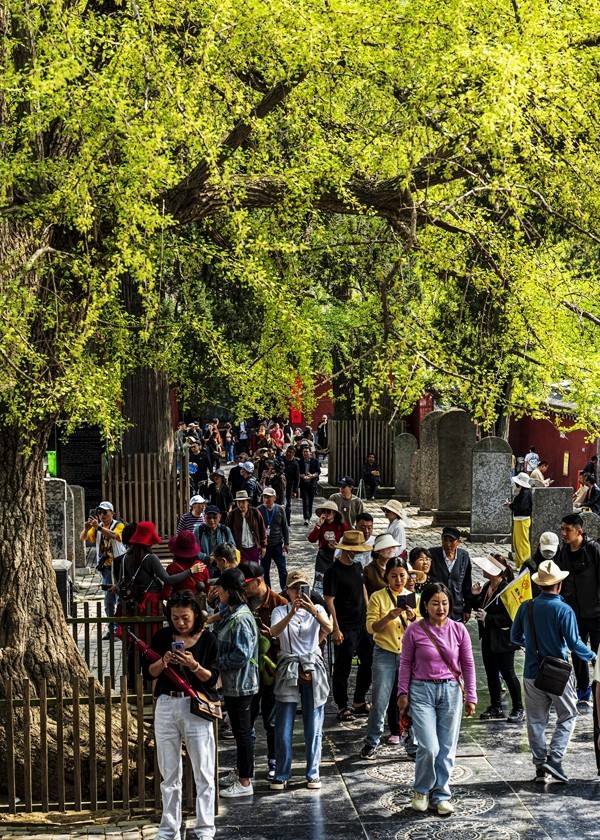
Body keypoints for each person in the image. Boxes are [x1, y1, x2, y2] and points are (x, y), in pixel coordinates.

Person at [511, 560, 596, 782]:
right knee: (568, 715)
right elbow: (575, 643)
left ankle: (540, 767)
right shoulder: (564, 609)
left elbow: (514, 637)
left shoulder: (526, 606)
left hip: (531, 673)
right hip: (558, 673)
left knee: (536, 721)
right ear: (559, 584)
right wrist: (594, 657)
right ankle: (555, 759)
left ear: (539, 585)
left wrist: (529, 645)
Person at [144, 591, 219, 840]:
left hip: (195, 706)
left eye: (185, 617)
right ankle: (169, 829)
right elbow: (149, 673)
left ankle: (205, 829)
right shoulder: (164, 636)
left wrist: (193, 665)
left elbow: (213, 678)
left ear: (196, 614)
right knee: (169, 773)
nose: (180, 623)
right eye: (175, 618)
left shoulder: (207, 639)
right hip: (167, 703)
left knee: (203, 771)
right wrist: (164, 660)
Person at [398, 583, 477, 815]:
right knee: (429, 746)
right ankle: (421, 789)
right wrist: (402, 693)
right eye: (435, 603)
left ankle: (441, 794)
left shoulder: (459, 630)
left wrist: (471, 695)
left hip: (451, 691)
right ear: (425, 605)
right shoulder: (414, 630)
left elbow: (468, 664)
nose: (440, 607)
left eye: (444, 603)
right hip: (421, 691)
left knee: (446, 748)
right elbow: (404, 664)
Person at [269, 570, 333, 790]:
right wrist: (292, 612)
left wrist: (313, 611)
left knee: (313, 722)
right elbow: (275, 632)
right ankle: (282, 773)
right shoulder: (279, 610)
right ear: (287, 590)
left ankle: (312, 772)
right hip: (289, 665)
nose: (298, 592)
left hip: (311, 665)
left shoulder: (319, 609)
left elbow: (329, 628)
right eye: (294, 588)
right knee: (284, 724)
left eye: (303, 588)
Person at [360, 559, 418, 759]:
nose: (398, 580)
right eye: (394, 576)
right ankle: (371, 741)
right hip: (384, 652)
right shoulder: (378, 597)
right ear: (387, 577)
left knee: (410, 700)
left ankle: (412, 744)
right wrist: (389, 617)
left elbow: (423, 629)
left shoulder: (413, 598)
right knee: (380, 700)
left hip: (408, 655)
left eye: (402, 575)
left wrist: (413, 618)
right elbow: (371, 627)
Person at [239, 561, 287, 784]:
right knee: (246, 721)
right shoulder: (241, 603)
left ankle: (274, 761)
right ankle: (245, 767)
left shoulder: (280, 604)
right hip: (247, 672)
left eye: (245, 584)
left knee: (272, 720)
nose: (242, 588)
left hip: (271, 670)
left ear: (258, 582)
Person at [215, 567, 260, 798]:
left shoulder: (241, 619)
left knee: (242, 733)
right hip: (234, 685)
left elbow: (241, 654)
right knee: (240, 730)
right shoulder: (231, 613)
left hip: (241, 685)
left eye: (220, 589)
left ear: (230, 591)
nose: (217, 593)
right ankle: (241, 771)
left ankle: (245, 781)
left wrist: (218, 663)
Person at [323, 530, 373, 721]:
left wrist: (369, 617)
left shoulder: (358, 566)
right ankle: (342, 705)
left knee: (368, 662)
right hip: (344, 625)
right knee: (342, 667)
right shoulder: (333, 572)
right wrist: (335, 627)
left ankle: (359, 701)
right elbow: (329, 601)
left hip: (362, 624)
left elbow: (363, 591)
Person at [555, 512, 600, 710]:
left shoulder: (593, 550)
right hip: (573, 614)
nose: (564, 533)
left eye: (568, 530)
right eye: (562, 529)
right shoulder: (562, 552)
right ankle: (583, 689)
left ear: (579, 531)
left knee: (598, 654)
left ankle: (598, 687)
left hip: (596, 613)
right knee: (578, 652)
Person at [471, 554, 524, 723]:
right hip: (488, 637)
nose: (483, 570)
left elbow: (510, 617)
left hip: (503, 640)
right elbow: (481, 608)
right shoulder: (487, 586)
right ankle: (496, 705)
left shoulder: (506, 589)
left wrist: (489, 618)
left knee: (508, 673)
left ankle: (518, 707)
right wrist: (475, 596)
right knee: (491, 673)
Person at [80, 501, 126, 635]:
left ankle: (122, 627)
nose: (102, 515)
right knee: (108, 600)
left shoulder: (119, 525)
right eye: (100, 512)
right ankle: (112, 628)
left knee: (120, 596)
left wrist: (98, 528)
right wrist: (87, 527)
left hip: (118, 565)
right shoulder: (97, 526)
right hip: (106, 568)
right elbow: (83, 538)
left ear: (112, 513)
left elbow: (115, 536)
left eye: (105, 512)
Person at [428, 526, 473, 622]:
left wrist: (467, 608)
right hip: (437, 609)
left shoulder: (464, 556)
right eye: (445, 540)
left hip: (456, 609)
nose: (448, 544)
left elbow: (467, 584)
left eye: (451, 541)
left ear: (458, 542)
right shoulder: (432, 554)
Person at [307, 500, 348, 594]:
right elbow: (311, 539)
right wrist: (318, 525)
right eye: (324, 511)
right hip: (323, 556)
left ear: (334, 513)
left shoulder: (342, 526)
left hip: (337, 556)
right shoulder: (321, 525)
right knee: (319, 581)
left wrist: (338, 546)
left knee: (336, 580)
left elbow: (347, 542)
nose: (326, 514)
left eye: (329, 511)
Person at [257, 488, 290, 591]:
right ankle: (268, 591)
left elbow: (285, 527)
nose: (266, 499)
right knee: (265, 570)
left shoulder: (280, 510)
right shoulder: (259, 510)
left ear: (274, 498)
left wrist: (286, 543)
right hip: (265, 546)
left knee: (282, 569)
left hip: (277, 544)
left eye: (269, 497)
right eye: (264, 497)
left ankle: (285, 590)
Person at [164, 531, 210, 599]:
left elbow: (165, 594)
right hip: (197, 606)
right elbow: (207, 589)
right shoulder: (201, 567)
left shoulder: (172, 568)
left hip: (177, 606)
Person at [226, 491, 267, 565]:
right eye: (239, 502)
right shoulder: (232, 515)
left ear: (247, 502)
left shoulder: (255, 512)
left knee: (254, 572)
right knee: (242, 572)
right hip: (239, 550)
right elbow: (228, 532)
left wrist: (263, 546)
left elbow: (262, 529)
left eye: (243, 502)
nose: (241, 504)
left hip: (254, 548)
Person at [193, 506, 235, 571]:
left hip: (222, 566)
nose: (211, 520)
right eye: (209, 517)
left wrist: (221, 557)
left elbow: (232, 547)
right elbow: (194, 549)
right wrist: (207, 558)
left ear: (219, 517)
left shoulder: (225, 530)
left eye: (214, 517)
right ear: (204, 517)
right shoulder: (198, 530)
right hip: (205, 566)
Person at [363, 534, 402, 598]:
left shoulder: (398, 566)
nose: (391, 550)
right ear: (379, 550)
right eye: (388, 547)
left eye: (393, 547)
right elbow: (364, 593)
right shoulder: (369, 570)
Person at [506, 472, 532, 569]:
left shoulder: (525, 493)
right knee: (517, 542)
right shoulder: (523, 492)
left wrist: (511, 506)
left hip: (522, 520)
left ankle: (524, 563)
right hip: (519, 519)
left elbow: (521, 507)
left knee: (523, 542)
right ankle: (518, 561)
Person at [298, 445, 321, 525]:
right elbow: (298, 473)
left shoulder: (315, 461)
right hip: (303, 484)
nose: (305, 453)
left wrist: (312, 475)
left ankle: (309, 516)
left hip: (312, 484)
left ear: (310, 453)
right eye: (304, 452)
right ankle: (306, 518)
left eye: (307, 451)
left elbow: (318, 472)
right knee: (305, 501)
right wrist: (302, 476)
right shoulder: (300, 462)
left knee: (310, 502)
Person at [283, 445, 300, 524]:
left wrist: (295, 490)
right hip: (280, 485)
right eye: (287, 452)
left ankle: (287, 522)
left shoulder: (295, 464)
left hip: (289, 487)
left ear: (294, 454)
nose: (288, 453)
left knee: (288, 505)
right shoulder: (281, 460)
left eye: (290, 452)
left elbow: (296, 478)